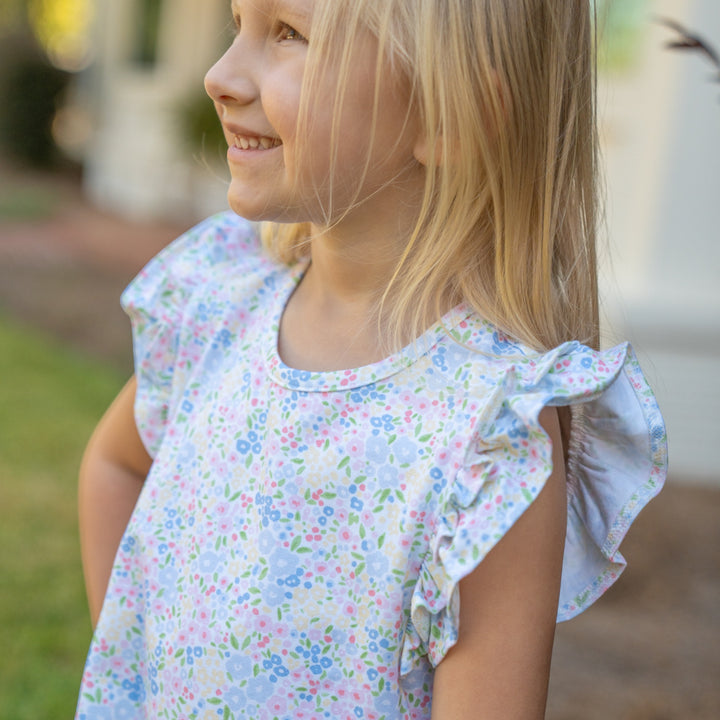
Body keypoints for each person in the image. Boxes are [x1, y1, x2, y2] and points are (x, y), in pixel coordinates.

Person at [75, 1, 667, 718]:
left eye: (289, 34)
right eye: (239, 25)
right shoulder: (219, 305)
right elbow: (115, 465)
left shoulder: (489, 438)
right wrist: (136, 672)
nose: (220, 76)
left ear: (453, 116)